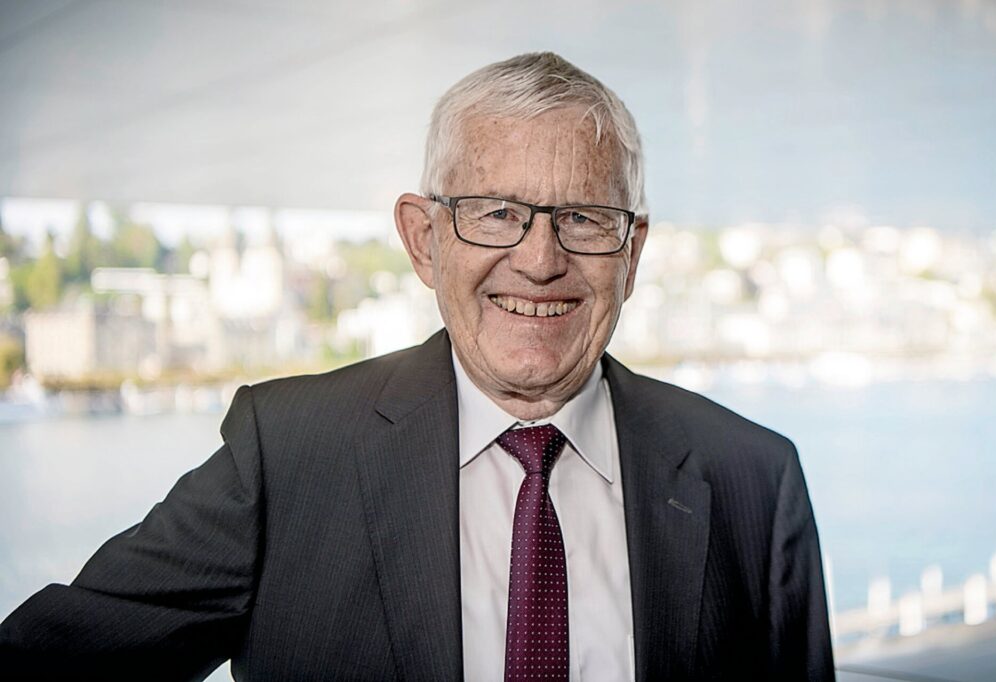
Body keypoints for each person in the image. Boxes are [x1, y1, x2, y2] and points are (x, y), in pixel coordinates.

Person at [0, 52, 834, 681]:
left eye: (583, 217)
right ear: (423, 239)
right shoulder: (288, 456)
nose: (539, 260)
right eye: (495, 212)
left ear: (632, 252)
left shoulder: (753, 482)